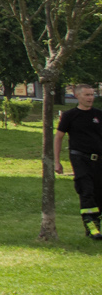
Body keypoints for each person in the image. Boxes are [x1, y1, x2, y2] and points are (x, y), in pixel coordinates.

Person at [55, 83, 102, 241]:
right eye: (87, 95)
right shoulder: (70, 115)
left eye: (92, 94)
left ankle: (96, 222)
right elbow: (59, 137)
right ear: (77, 96)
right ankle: (90, 223)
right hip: (80, 157)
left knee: (98, 192)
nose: (90, 98)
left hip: (99, 159)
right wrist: (57, 161)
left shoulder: (99, 115)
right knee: (86, 189)